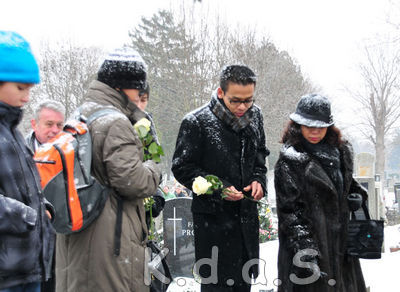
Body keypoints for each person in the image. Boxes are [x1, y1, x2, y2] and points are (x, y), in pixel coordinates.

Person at [55, 47, 161, 292]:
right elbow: (133, 181)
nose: (140, 97)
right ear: (121, 88)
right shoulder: (115, 122)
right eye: (138, 90)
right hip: (109, 241)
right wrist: (153, 168)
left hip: (81, 233)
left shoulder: (81, 115)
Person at [172, 65, 269, 291]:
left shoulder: (256, 117)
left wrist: (258, 179)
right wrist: (219, 188)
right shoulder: (196, 122)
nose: (243, 107)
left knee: (244, 284)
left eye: (248, 100)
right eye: (235, 100)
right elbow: (182, 167)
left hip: (246, 222)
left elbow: (260, 156)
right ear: (220, 92)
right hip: (214, 225)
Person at [274, 94, 368, 292]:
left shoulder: (341, 153)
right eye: (309, 126)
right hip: (309, 250)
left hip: (341, 248)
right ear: (298, 125)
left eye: (321, 126)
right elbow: (289, 211)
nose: (315, 132)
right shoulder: (290, 161)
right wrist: (306, 251)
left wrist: (356, 195)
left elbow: (348, 184)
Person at [0, 31, 55, 292]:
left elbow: (25, 186)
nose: (27, 96)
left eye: (29, 89)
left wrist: (43, 207)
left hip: (26, 266)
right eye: (20, 88)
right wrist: (28, 215)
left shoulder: (13, 132)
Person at [25, 99, 65, 292]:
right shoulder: (19, 152)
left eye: (59, 125)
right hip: (26, 246)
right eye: (49, 124)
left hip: (64, 246)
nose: (55, 130)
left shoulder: (76, 155)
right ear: (34, 124)